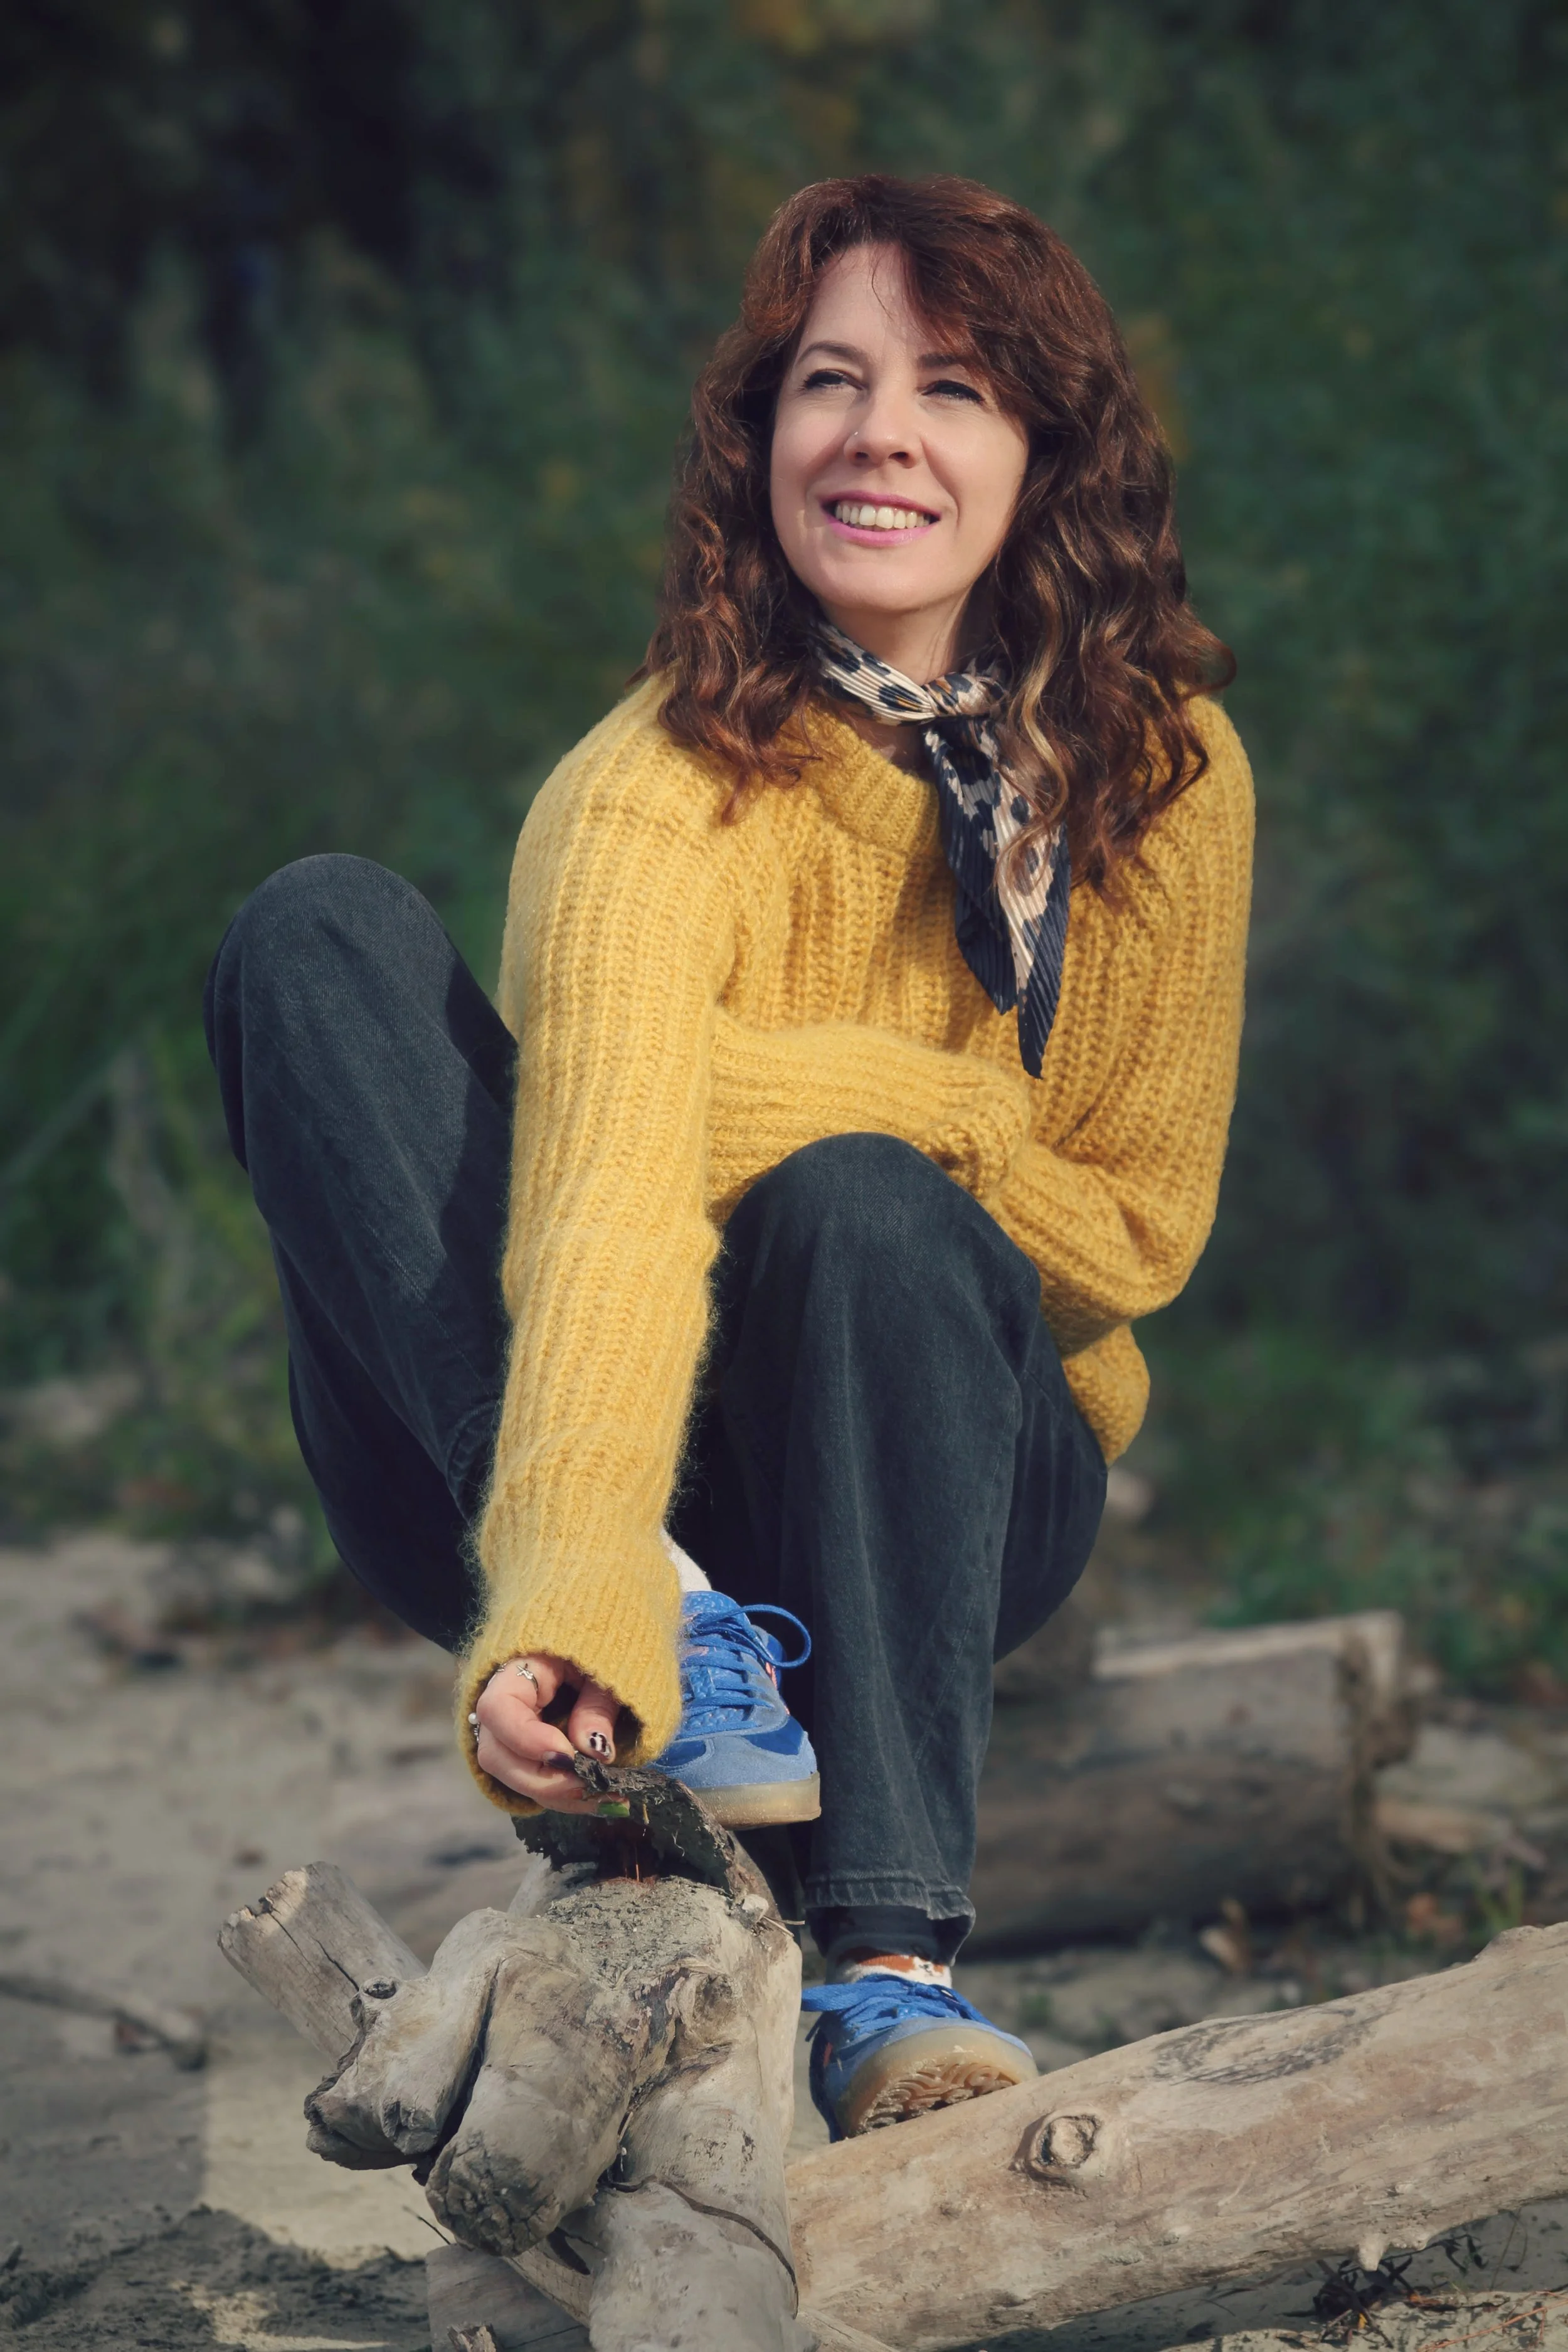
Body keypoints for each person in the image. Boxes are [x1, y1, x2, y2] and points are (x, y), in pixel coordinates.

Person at [205, 173, 1252, 2141]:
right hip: (557, 1446)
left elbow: (1127, 1231)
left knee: (862, 1200)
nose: (879, 433)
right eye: (828, 381)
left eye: (950, 388)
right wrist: (581, 1583)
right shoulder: (651, 788)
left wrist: (897, 1109)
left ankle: (889, 1966)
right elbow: (599, 1212)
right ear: (758, 435)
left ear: (1042, 454)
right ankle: (657, 1641)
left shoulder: (1156, 775)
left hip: (951, 1475)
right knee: (315, 928)